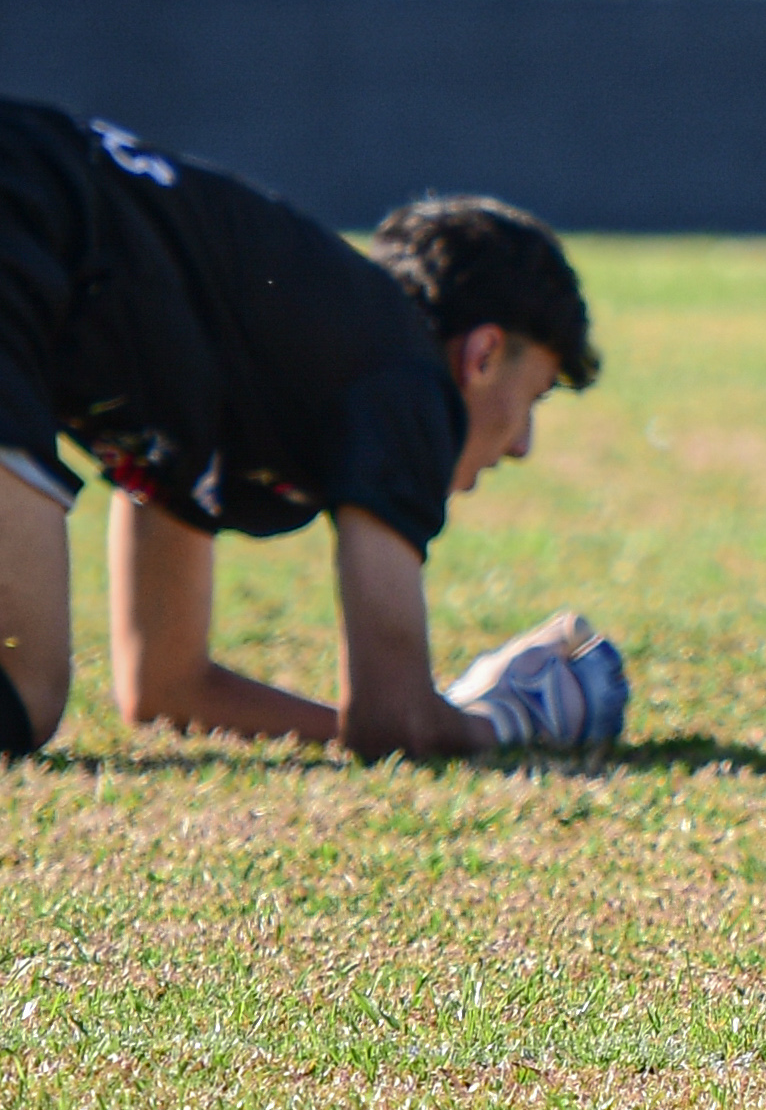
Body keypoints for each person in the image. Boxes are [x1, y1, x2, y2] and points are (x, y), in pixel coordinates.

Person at [0, 100, 629, 763]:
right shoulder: (407, 375)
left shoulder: (264, 344)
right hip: (24, 219)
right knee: (24, 686)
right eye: (534, 396)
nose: (523, 444)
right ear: (482, 354)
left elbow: (166, 686)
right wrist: (506, 717)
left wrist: (389, 723)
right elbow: (395, 724)